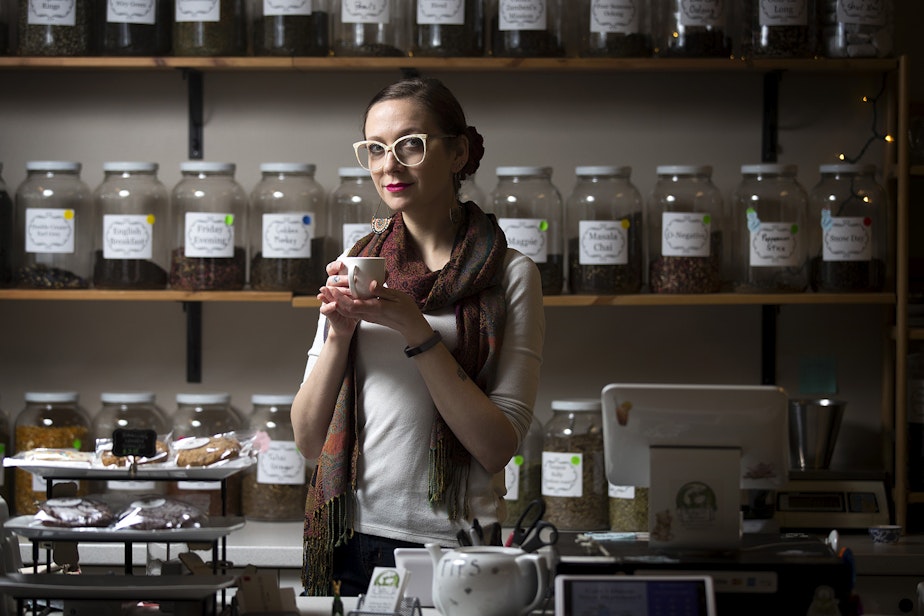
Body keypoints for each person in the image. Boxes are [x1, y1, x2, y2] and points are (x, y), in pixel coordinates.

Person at [291, 76, 545, 597]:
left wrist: (417, 330)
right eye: (376, 149)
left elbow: (498, 447)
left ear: (457, 153)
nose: (390, 165)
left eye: (411, 144)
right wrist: (339, 334)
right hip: (353, 535)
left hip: (458, 545)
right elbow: (309, 441)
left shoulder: (511, 276)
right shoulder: (358, 263)